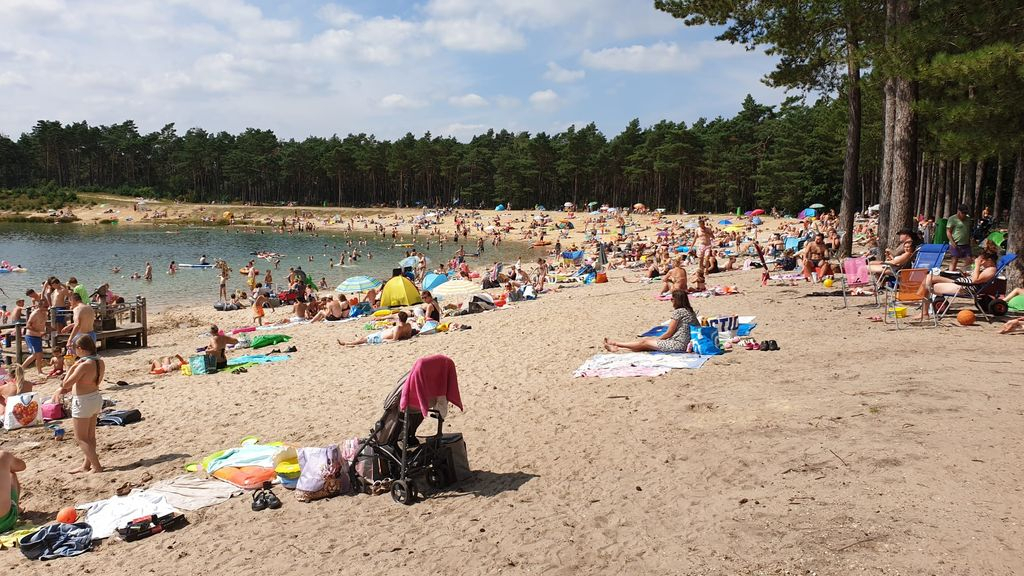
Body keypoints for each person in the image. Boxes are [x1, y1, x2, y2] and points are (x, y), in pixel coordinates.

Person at [52, 335, 104, 474]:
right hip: (95, 398)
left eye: (74, 349)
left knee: (81, 438)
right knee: (90, 436)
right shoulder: (99, 361)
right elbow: (95, 382)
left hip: (83, 401)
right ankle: (86, 465)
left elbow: (66, 384)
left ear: (80, 349)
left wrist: (71, 367)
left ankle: (97, 466)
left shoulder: (83, 365)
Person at [603, 290, 698, 353]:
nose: (671, 301)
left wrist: (658, 339)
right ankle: (618, 348)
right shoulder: (691, 311)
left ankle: (616, 343)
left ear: (677, 300)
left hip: (678, 345)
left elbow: (669, 333)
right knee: (646, 346)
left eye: (672, 299)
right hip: (687, 343)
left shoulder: (678, 312)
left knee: (645, 342)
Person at [916, 250, 999, 320]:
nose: (981, 262)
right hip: (960, 283)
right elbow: (975, 278)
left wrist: (977, 265)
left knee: (929, 284)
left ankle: (921, 307)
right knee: (929, 277)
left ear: (990, 260)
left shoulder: (992, 269)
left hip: (964, 288)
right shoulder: (987, 269)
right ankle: (923, 308)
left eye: (982, 260)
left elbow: (975, 280)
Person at [337, 311, 413, 346]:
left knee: (363, 340)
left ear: (399, 319)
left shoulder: (398, 328)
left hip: (379, 337)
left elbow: (394, 339)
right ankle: (357, 339)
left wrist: (385, 340)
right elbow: (408, 336)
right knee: (364, 338)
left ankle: (347, 343)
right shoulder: (408, 325)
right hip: (380, 334)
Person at [0, 450, 26, 533]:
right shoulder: (3, 456)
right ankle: (16, 508)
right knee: (11, 474)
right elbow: (22, 466)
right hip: (3, 523)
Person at [20, 303, 47, 377]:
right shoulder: (34, 314)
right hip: (31, 335)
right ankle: (21, 369)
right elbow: (28, 325)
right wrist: (38, 332)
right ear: (40, 306)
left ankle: (39, 371)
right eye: (45, 306)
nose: (46, 308)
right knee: (35, 354)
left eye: (47, 307)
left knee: (39, 355)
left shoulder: (45, 313)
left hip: (38, 336)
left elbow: (44, 324)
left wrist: (50, 330)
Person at [946, 204, 972, 271]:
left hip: (966, 244)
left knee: (969, 260)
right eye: (963, 213)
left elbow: (968, 230)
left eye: (965, 213)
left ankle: (963, 272)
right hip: (956, 243)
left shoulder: (968, 219)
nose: (964, 214)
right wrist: (952, 242)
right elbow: (948, 232)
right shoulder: (952, 219)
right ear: (958, 211)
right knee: (954, 260)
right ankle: (950, 273)